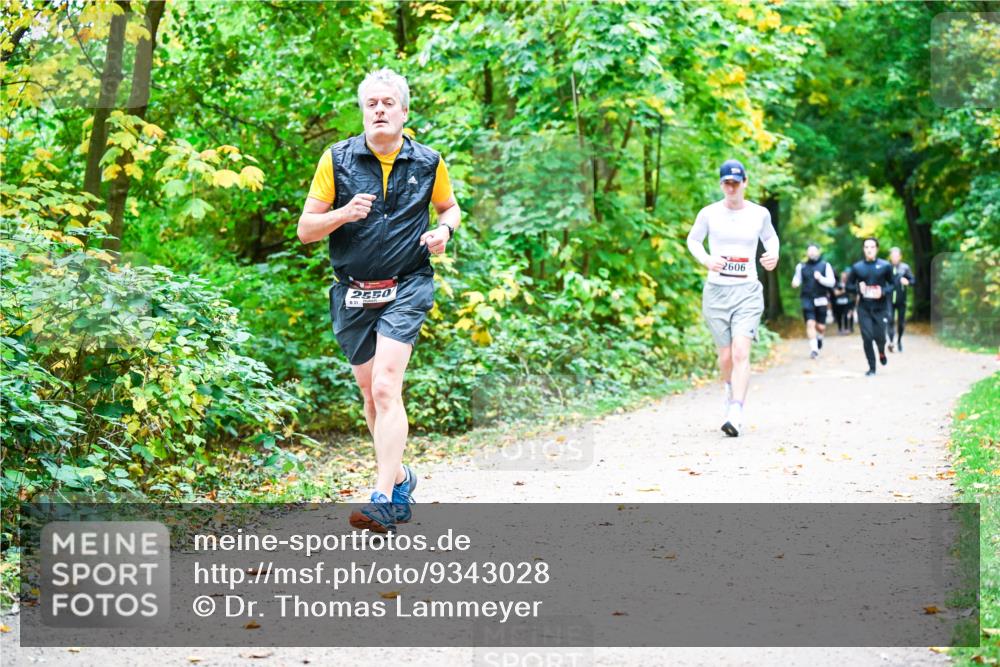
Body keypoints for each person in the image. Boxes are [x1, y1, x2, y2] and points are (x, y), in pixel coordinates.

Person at [297, 68, 461, 533]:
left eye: (388, 103)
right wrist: (343, 213)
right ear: (363, 112)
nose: (380, 110)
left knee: (388, 388)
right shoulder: (337, 159)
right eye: (372, 104)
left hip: (407, 284)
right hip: (352, 292)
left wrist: (443, 230)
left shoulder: (428, 162)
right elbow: (306, 230)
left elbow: (450, 207)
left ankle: (382, 499)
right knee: (370, 396)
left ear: (404, 112)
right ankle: (403, 478)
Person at [687, 159, 779, 437]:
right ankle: (729, 391)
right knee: (725, 356)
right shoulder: (709, 213)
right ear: (721, 184)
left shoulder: (759, 214)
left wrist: (773, 255)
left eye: (735, 182)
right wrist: (706, 259)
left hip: (747, 291)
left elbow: (771, 238)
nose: (731, 187)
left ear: (745, 183)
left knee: (740, 351)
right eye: (726, 182)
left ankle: (736, 412)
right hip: (716, 292)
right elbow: (693, 240)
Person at [846, 238, 894, 376]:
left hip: (881, 307)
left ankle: (881, 351)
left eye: (872, 247)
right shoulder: (857, 267)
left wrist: (883, 291)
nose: (869, 249)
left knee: (880, 337)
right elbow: (848, 286)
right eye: (866, 247)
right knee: (867, 337)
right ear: (863, 249)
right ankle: (872, 368)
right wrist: (857, 288)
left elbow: (893, 284)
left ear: (877, 249)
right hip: (864, 308)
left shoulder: (885, 266)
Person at [791, 243, 836, 358]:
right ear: (807, 253)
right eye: (809, 251)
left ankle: (820, 338)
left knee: (821, 327)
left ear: (818, 252)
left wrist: (820, 278)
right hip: (807, 298)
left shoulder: (825, 265)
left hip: (821, 298)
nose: (811, 253)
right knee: (810, 323)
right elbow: (797, 278)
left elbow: (832, 282)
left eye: (814, 251)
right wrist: (795, 283)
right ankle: (814, 350)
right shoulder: (801, 266)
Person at [885, 246, 916, 353]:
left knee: (901, 322)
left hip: (901, 299)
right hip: (889, 299)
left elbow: (913, 281)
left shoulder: (905, 267)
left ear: (900, 257)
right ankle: (891, 342)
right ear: (890, 257)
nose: (894, 258)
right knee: (890, 319)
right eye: (892, 256)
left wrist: (907, 281)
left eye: (896, 256)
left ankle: (899, 341)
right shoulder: (886, 267)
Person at [832, 269, 856, 334]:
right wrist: (844, 291)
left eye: (845, 276)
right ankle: (840, 329)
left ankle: (847, 328)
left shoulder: (850, 284)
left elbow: (853, 294)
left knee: (847, 315)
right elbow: (836, 293)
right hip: (838, 303)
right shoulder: (837, 284)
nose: (844, 277)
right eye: (842, 276)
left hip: (847, 303)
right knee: (839, 316)